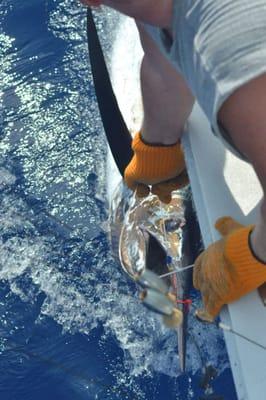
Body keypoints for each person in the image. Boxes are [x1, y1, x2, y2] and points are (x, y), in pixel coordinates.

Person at [81, 0, 266, 321]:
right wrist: (157, 147)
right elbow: (162, 66)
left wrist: (252, 255)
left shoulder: (234, 75)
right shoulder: (157, 11)